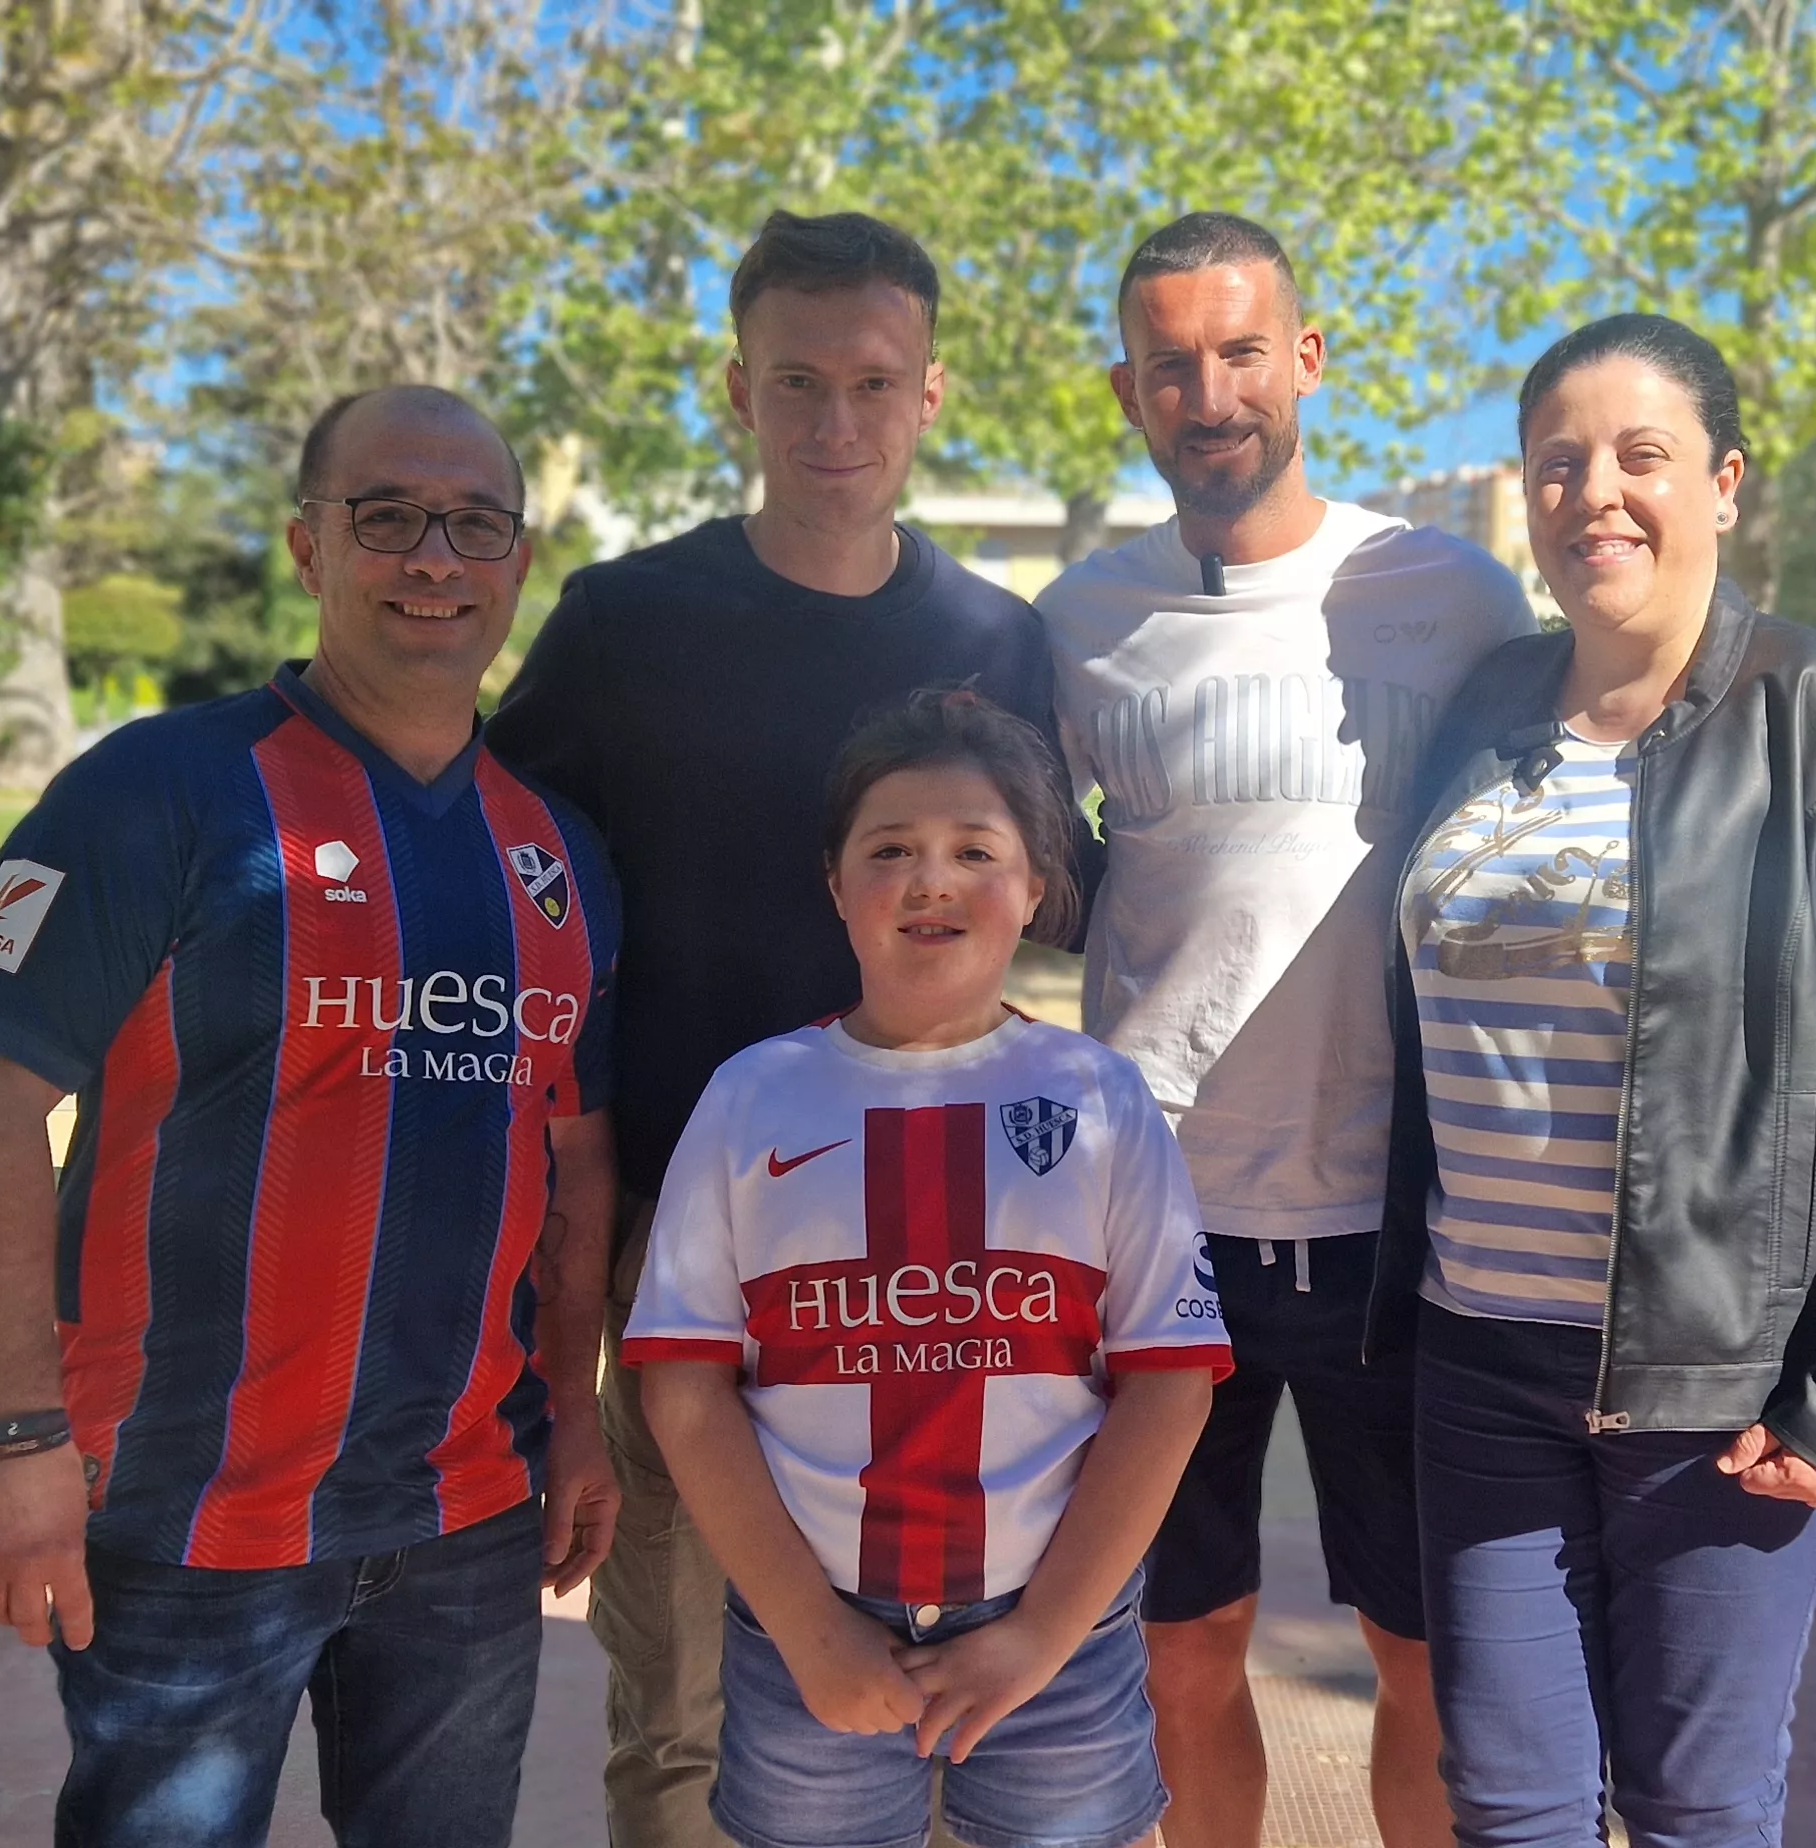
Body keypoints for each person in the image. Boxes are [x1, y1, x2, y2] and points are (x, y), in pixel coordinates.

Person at [0, 384, 625, 1848]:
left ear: (518, 560)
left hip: (464, 1520)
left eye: (475, 523)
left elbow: (573, 1165)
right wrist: (8, 1443)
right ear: (310, 548)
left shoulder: (560, 856)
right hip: (185, 1520)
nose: (434, 556)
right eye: (386, 517)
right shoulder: (158, 796)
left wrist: (578, 1421)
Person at [1374, 313, 1816, 1848]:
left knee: (1694, 1809)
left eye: (1641, 457)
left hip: (1720, 1396)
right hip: (1481, 1371)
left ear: (1723, 484)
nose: (1598, 492)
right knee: (1508, 1807)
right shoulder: (1483, 716)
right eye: (1558, 463)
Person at [487, 208, 1076, 1848]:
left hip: (942, 1256)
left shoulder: (995, 642)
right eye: (797, 383)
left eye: (873, 385)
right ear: (733, 386)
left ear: (930, 395)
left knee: (934, 1701)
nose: (835, 427)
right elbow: (507, 873)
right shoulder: (623, 625)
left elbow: (1054, 887)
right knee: (682, 1720)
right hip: (691, 1250)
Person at [1034, 209, 1535, 1848]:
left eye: (1242, 348)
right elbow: (1043, 867)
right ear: (1129, 391)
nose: (1211, 389)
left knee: (1426, 1658)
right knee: (1182, 1649)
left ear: (1306, 359)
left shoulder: (1447, 594)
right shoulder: (1075, 622)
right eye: (1171, 362)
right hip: (1164, 1226)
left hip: (1406, 1226)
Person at [624, 690, 1225, 1848]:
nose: (930, 879)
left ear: (1037, 886)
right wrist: (808, 1630)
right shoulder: (753, 1095)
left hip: (1061, 1632)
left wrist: (1043, 1633)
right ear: (836, 886)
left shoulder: (1097, 1098)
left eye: (974, 851)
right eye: (888, 850)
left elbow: (1170, 1380)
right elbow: (684, 1386)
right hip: (816, 1627)